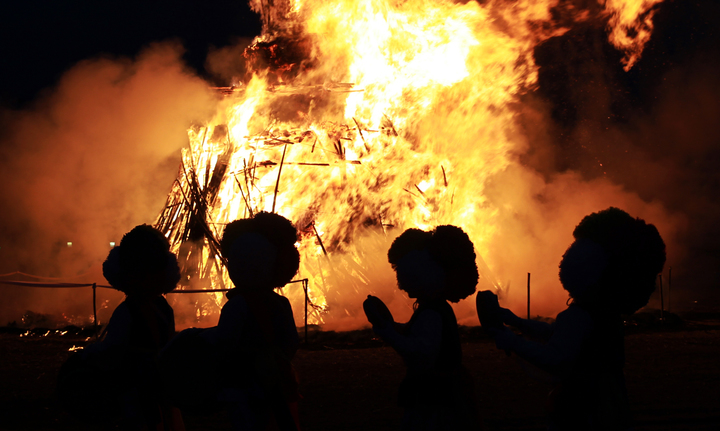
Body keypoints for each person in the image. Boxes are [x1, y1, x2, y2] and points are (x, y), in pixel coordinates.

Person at [477, 207, 666, 431]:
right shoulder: (603, 312)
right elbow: (557, 333)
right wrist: (517, 322)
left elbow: (556, 358)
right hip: (609, 400)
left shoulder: (582, 315)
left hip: (584, 408)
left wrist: (511, 340)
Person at [162, 211, 300, 431]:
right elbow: (291, 340)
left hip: (243, 381)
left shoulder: (238, 305)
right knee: (279, 419)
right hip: (277, 376)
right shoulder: (279, 303)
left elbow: (225, 340)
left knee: (248, 422)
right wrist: (278, 358)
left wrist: (198, 337)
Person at [58, 224, 182, 430]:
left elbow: (113, 348)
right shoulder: (163, 306)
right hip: (160, 384)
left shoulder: (128, 310)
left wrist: (86, 355)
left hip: (134, 386)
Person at [363, 225, 480, 431]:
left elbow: (421, 353)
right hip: (442, 393)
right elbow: (418, 336)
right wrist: (397, 328)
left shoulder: (431, 312)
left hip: (435, 397)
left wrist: (389, 334)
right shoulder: (436, 308)